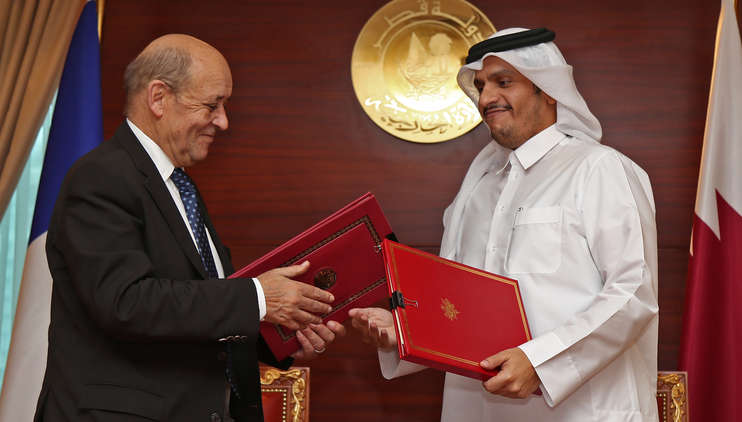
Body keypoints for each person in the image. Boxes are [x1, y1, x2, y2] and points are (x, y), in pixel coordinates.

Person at [350, 27, 659, 421]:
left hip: (582, 410)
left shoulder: (598, 169)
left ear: (548, 90)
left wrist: (540, 362)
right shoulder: (476, 188)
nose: (486, 98)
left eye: (504, 82)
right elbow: (457, 304)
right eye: (481, 86)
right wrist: (405, 331)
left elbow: (632, 293)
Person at [34, 34, 344, 422]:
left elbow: (198, 316)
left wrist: (280, 336)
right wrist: (259, 298)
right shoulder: (100, 177)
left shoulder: (182, 187)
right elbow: (126, 303)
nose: (223, 121)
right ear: (159, 98)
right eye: (212, 105)